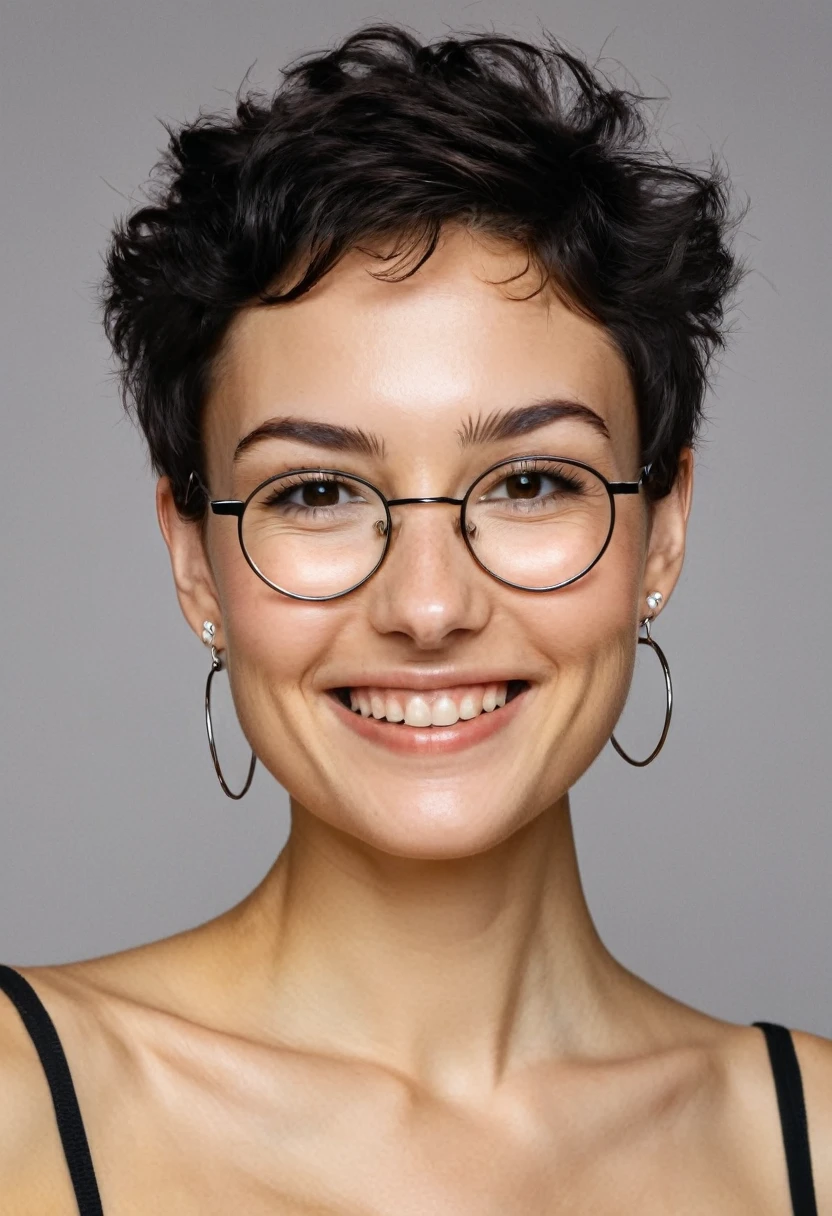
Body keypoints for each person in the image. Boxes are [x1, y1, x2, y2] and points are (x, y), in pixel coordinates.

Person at [0, 22, 829, 1214]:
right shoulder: (24, 1099)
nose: (429, 606)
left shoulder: (808, 1146)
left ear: (664, 528)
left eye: (532, 481)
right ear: (195, 557)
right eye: (318, 492)